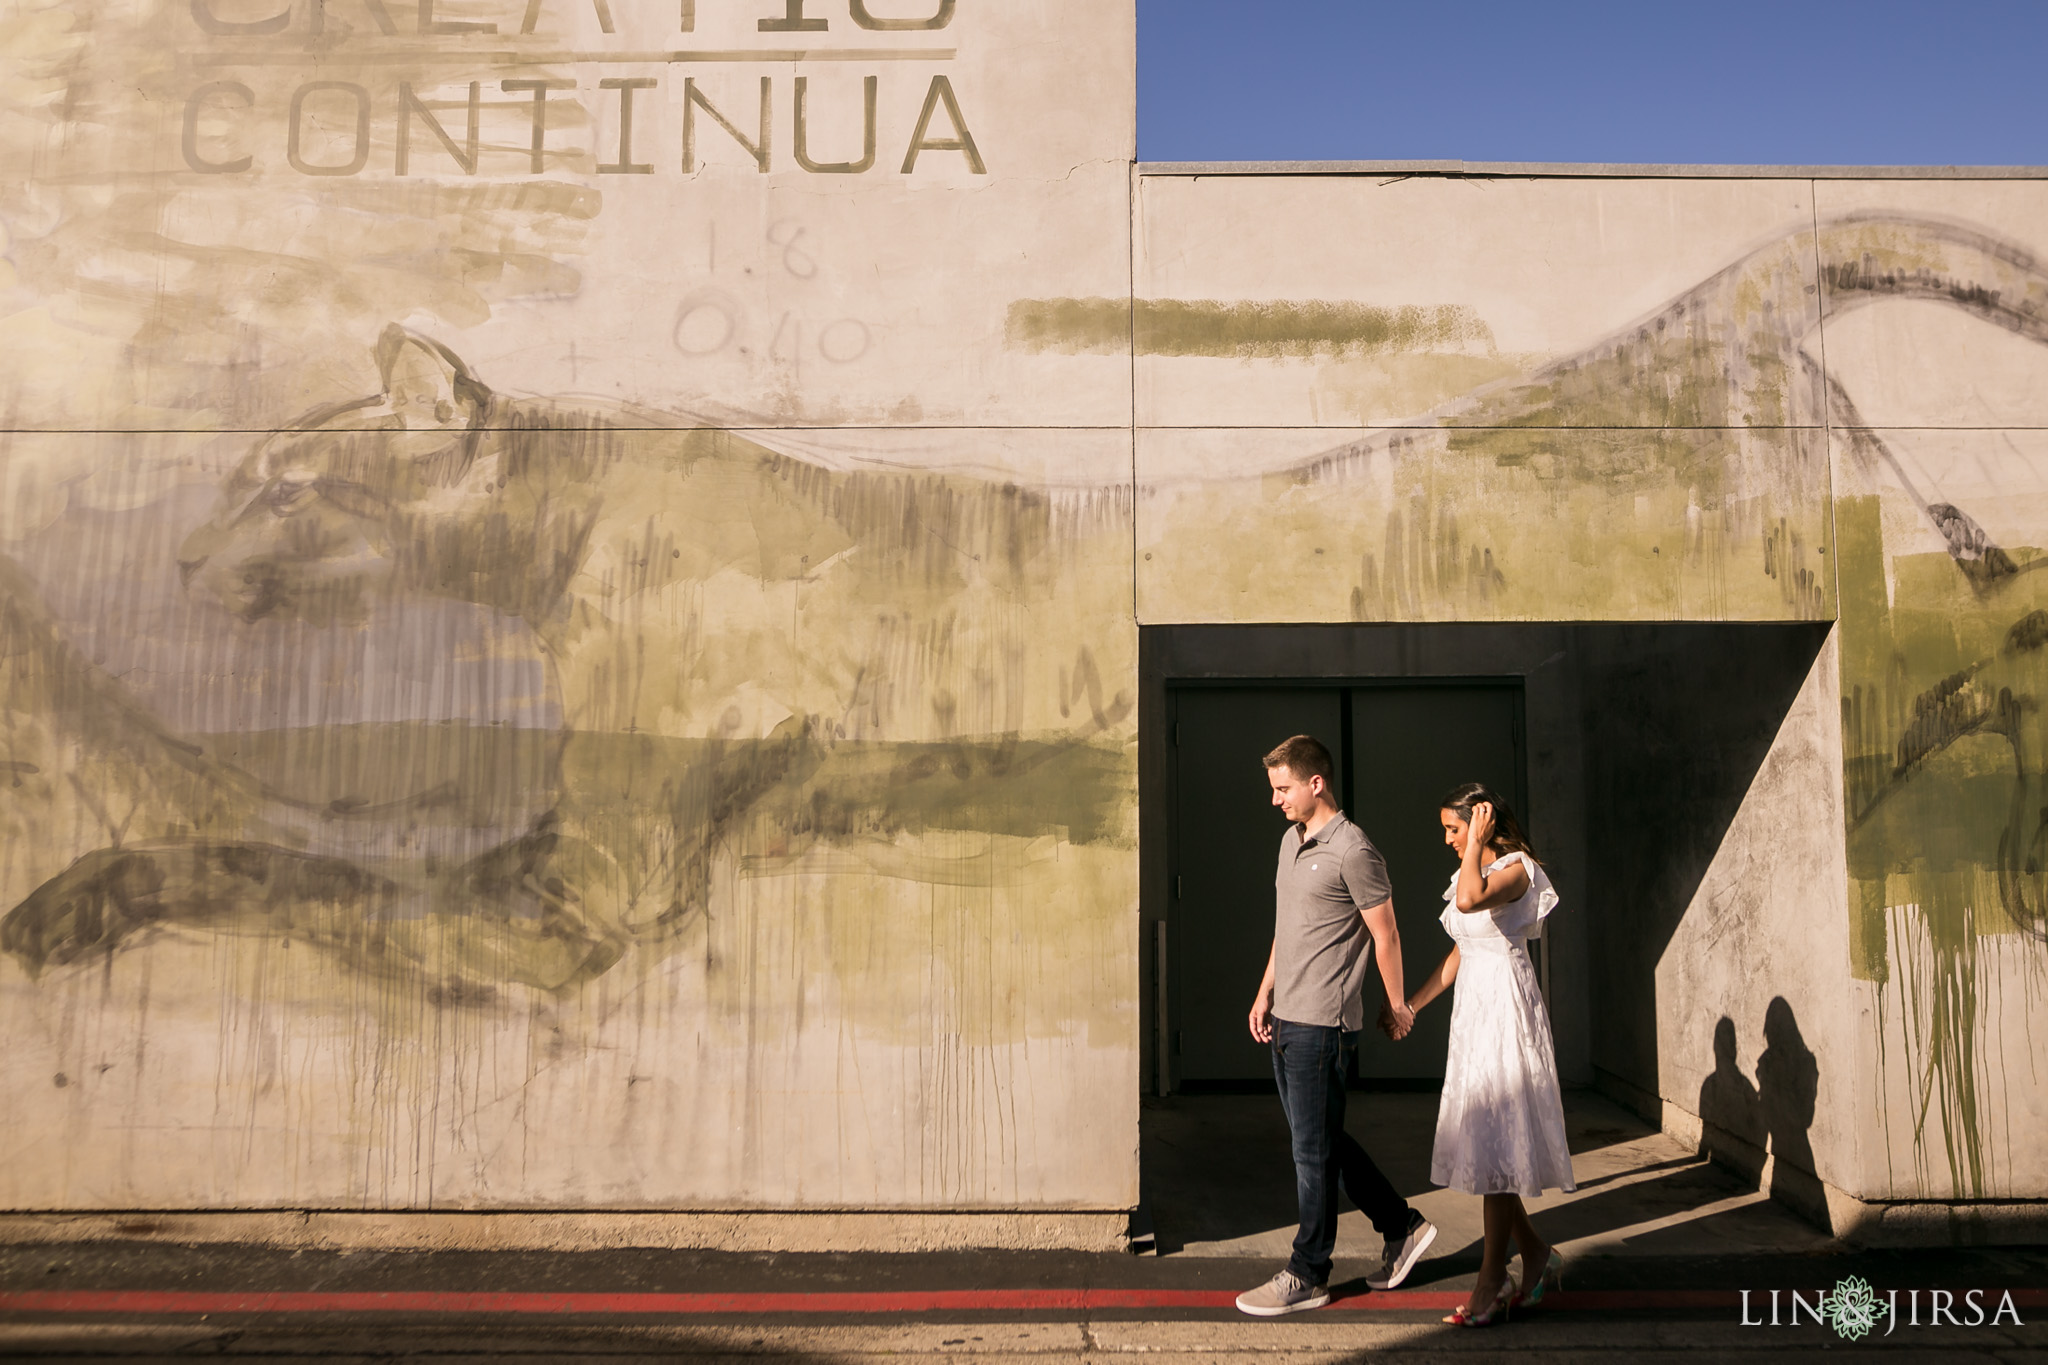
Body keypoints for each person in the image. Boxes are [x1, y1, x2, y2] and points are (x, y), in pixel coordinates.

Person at [1235, 735, 1437, 1318]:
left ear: (1315, 783)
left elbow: (1387, 934)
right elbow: (1288, 924)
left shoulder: (1354, 851)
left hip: (1324, 1023)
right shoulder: (1288, 842)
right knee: (1319, 1140)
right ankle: (1402, 1225)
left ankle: (1309, 1271)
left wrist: (1398, 1005)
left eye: (1283, 788)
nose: (1275, 800)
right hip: (1287, 1014)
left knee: (1312, 1149)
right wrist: (1264, 989)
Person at [1389, 782, 1572, 1327]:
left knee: (1496, 1152)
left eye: (1454, 828)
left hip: (1506, 1013)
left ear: (1484, 823)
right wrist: (1409, 1005)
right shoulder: (1472, 871)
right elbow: (1460, 952)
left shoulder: (1516, 870)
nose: (1448, 840)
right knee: (1491, 1147)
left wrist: (1478, 847)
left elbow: (1470, 900)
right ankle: (1535, 1254)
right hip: (1475, 1015)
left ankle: (1491, 1284)